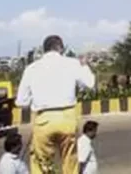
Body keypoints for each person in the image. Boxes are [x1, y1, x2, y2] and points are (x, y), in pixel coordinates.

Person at [16, 35, 95, 174]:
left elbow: (21, 101)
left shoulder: (31, 68)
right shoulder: (72, 63)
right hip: (67, 118)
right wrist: (84, 65)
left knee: (41, 163)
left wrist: (37, 100)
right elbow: (90, 84)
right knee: (70, 161)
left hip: (43, 120)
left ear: (44, 49)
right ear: (61, 48)